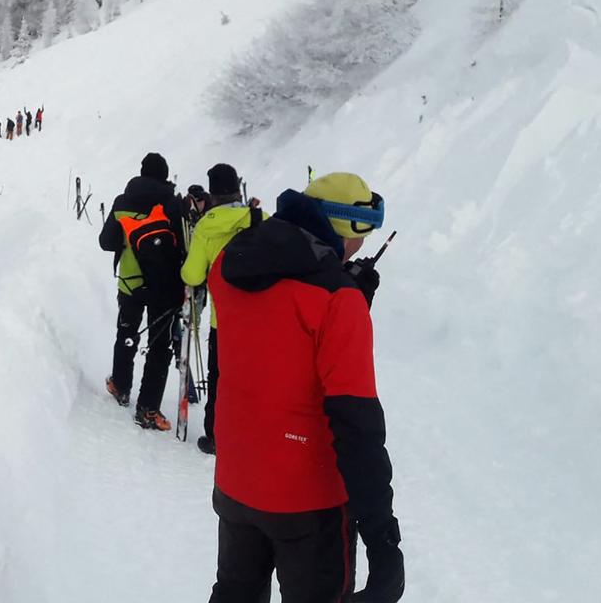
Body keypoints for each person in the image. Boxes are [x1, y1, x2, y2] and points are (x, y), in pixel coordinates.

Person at [206, 172, 401, 603]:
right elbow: (357, 426)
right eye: (363, 233)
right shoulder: (336, 302)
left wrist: (343, 288)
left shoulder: (229, 266)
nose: (363, 245)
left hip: (237, 483)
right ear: (346, 227)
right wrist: (383, 538)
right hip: (309, 503)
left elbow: (273, 340)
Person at [180, 164, 264, 456]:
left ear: (212, 192)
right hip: (262, 316)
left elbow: (193, 275)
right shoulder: (259, 218)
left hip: (224, 318)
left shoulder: (207, 225)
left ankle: (216, 436)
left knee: (220, 378)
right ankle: (254, 432)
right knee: (255, 376)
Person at [98, 153, 185, 431]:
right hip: (165, 286)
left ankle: (121, 386)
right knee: (159, 346)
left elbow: (106, 242)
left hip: (131, 282)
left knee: (127, 334)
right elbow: (184, 245)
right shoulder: (172, 204)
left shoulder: (123, 202)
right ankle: (148, 410)